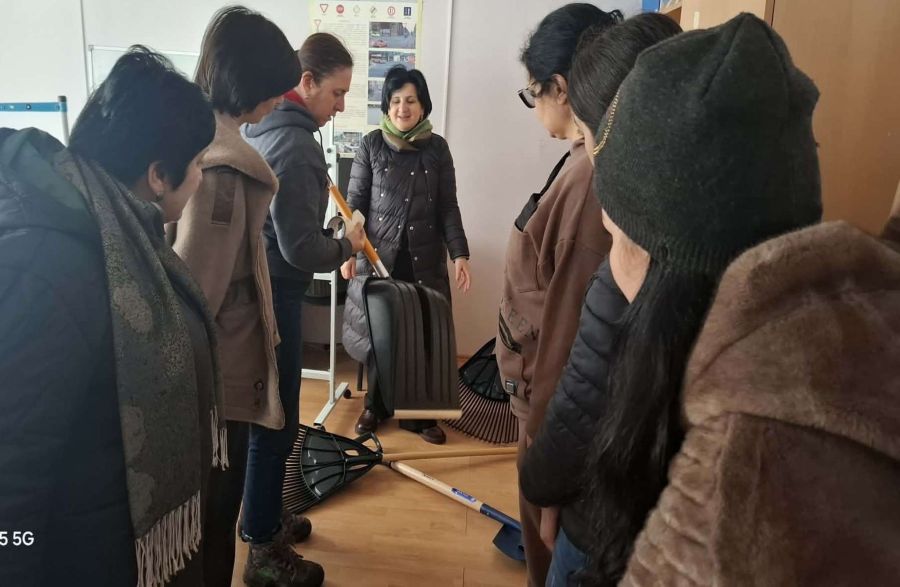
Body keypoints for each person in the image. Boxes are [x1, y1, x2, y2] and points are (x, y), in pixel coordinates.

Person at [557, 13, 898, 586]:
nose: (609, 250)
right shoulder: (860, 325)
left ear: (661, 261)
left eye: (613, 232)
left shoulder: (723, 498)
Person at [0, 47, 217, 586]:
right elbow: (12, 475)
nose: (201, 179)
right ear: (158, 174)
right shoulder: (49, 266)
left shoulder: (121, 233)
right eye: (197, 164)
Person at [517, 13, 683, 587]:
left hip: (599, 495)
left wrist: (546, 477)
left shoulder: (604, 196)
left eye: (589, 137)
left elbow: (580, 361)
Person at [166, 6, 316, 587]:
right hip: (218, 373)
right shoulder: (227, 171)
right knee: (215, 513)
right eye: (275, 86)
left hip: (216, 368)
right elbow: (197, 294)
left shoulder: (202, 139)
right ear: (249, 80)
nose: (280, 99)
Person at [496, 4, 622, 585]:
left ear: (561, 88)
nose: (535, 107)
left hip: (551, 413)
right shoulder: (581, 159)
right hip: (542, 403)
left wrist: (550, 474)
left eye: (533, 94)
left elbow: (570, 340)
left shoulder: (589, 181)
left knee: (548, 556)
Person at [241, 31, 364, 585]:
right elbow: (301, 250)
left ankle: (264, 517)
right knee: (277, 420)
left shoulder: (264, 127)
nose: (340, 106)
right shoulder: (295, 146)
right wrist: (347, 245)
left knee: (270, 413)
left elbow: (288, 227)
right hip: (279, 294)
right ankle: (262, 549)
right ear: (306, 82)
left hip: (261, 288)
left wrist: (327, 232)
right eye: (337, 93)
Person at [341, 65, 471, 445]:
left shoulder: (438, 149)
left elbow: (448, 207)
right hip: (379, 256)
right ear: (386, 105)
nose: (403, 108)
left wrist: (460, 254)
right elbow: (354, 203)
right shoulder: (371, 145)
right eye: (396, 100)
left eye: (410, 100)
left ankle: (420, 417)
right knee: (380, 334)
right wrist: (346, 251)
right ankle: (375, 406)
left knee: (424, 336)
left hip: (424, 259)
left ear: (423, 105)